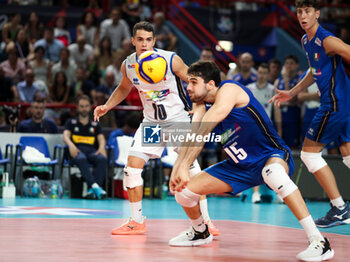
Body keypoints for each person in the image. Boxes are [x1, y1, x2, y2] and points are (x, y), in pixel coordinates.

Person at [169, 61, 334, 262]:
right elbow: (194, 136)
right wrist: (178, 169)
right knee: (183, 193)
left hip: (269, 155)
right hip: (238, 166)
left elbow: (205, 126)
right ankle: (200, 232)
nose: (188, 87)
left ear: (211, 84)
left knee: (272, 174)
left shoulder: (229, 90)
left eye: (194, 82)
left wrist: (184, 165)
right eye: (188, 83)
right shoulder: (202, 106)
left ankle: (319, 241)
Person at [94, 21, 219, 236]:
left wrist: (200, 105)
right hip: (151, 123)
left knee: (191, 170)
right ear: (133, 41)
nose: (144, 44)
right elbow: (124, 87)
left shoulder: (171, 59)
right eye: (140, 40)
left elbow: (195, 81)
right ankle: (136, 221)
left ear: (154, 40)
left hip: (177, 120)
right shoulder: (129, 64)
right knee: (131, 168)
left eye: (149, 40)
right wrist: (107, 105)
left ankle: (207, 222)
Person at [270, 0, 350, 228]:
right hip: (342, 104)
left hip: (333, 104)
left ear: (317, 13)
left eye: (307, 11)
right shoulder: (306, 39)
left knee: (309, 155)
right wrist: (292, 92)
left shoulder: (328, 40)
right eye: (299, 12)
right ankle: (340, 208)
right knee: (348, 156)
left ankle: (340, 209)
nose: (303, 15)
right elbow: (314, 70)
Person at [63, 95, 107, 199]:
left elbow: (101, 138)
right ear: (77, 107)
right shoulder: (71, 122)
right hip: (77, 151)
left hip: (91, 151)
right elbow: (65, 135)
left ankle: (92, 189)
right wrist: (70, 145)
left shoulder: (95, 123)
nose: (84, 108)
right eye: (81, 106)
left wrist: (101, 147)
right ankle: (96, 186)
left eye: (86, 106)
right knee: (81, 158)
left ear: (90, 107)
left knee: (102, 159)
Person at [246, 63, 276, 203]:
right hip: (252, 129)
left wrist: (279, 130)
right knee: (254, 160)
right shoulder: (249, 88)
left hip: (267, 130)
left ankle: (279, 193)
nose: (262, 75)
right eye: (260, 72)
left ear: (268, 74)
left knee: (271, 160)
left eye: (265, 72)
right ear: (256, 73)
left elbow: (276, 111)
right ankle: (255, 194)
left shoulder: (272, 89)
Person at [274, 55, 302, 150]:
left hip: (293, 117)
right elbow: (275, 102)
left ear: (296, 65)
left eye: (291, 63)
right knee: (279, 145)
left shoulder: (299, 80)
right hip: (280, 118)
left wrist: (286, 79)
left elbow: (292, 100)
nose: (288, 65)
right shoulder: (278, 81)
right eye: (287, 63)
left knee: (292, 147)